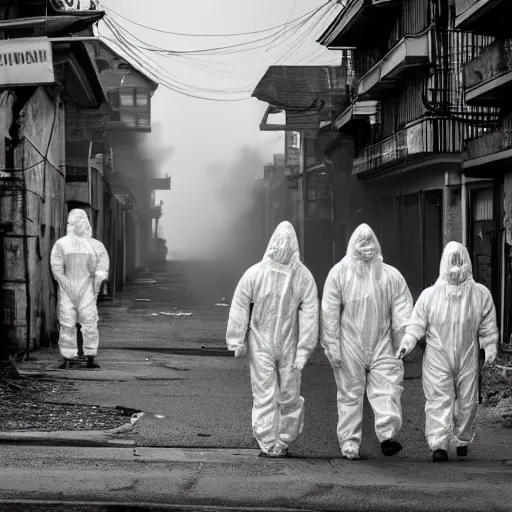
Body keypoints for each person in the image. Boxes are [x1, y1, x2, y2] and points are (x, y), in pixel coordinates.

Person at [396, 241, 499, 462]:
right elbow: (416, 324)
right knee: (438, 400)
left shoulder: (480, 294)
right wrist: (407, 342)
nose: (455, 265)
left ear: (466, 262)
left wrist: (489, 346)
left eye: (459, 260)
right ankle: (439, 445)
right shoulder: (430, 295)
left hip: (467, 356)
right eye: (451, 260)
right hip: (437, 357)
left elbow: (487, 325)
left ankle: (462, 438)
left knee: (468, 402)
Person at [226, 221, 319, 458]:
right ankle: (270, 442)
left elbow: (310, 315)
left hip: (286, 343)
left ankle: (283, 440)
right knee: (265, 394)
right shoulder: (258, 273)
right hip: (262, 341)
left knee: (288, 394)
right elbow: (240, 304)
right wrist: (237, 340)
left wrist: (303, 351)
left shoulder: (301, 277)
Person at [321, 223, 413, 460]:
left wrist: (402, 340)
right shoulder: (340, 273)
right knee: (351, 394)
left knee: (387, 387)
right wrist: (333, 346)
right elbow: (329, 312)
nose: (366, 248)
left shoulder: (388, 275)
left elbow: (402, 309)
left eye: (369, 243)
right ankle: (350, 444)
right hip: (351, 343)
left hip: (381, 342)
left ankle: (387, 436)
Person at [50, 209, 110, 369]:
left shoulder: (64, 244)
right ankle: (73, 358)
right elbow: (56, 268)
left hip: (79, 290)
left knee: (81, 324)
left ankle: (82, 358)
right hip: (79, 291)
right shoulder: (65, 244)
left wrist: (95, 282)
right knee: (71, 324)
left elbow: (102, 266)